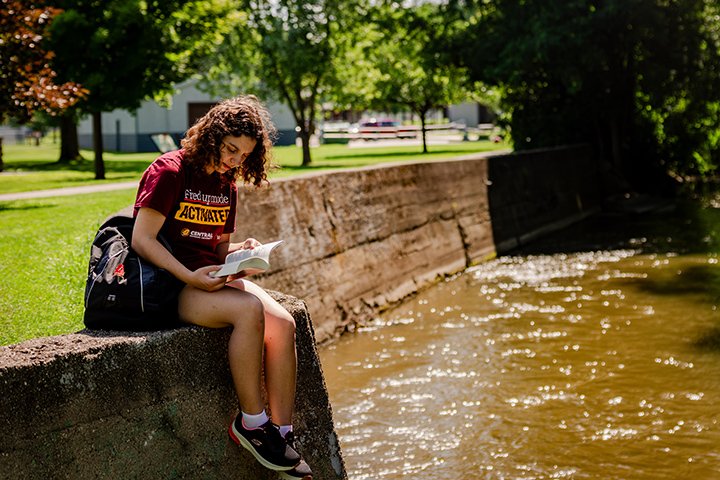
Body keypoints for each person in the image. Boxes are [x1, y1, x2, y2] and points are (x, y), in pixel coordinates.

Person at [131, 95, 312, 480]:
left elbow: (215, 247)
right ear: (212, 135)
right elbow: (142, 240)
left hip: (207, 277)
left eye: (243, 155)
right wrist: (189, 276)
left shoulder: (225, 184)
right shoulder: (169, 170)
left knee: (283, 323)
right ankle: (250, 422)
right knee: (248, 311)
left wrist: (240, 252)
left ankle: (280, 433)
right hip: (171, 284)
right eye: (230, 149)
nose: (234, 160)